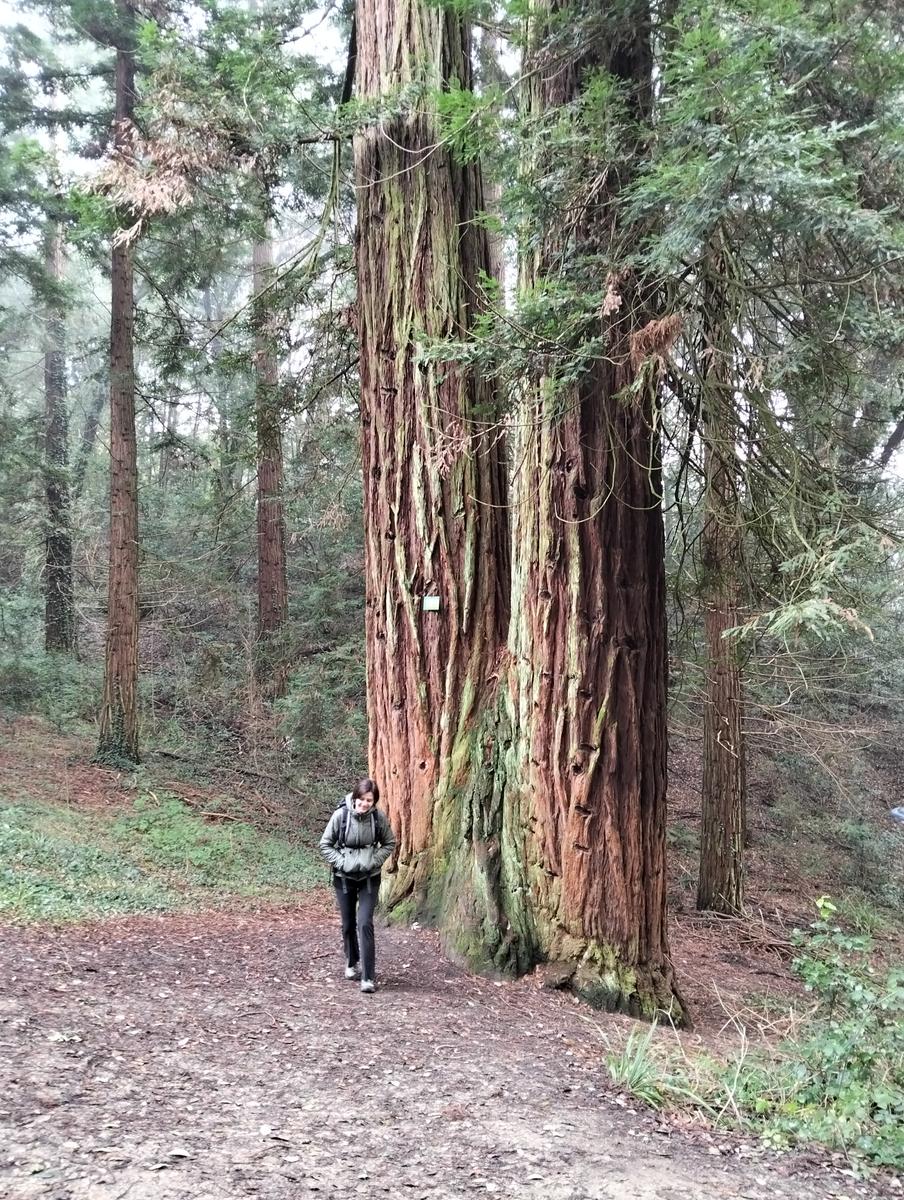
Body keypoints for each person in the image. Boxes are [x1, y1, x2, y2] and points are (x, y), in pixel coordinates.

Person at [319, 777, 396, 994]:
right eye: (361, 799)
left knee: (364, 923)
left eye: (369, 800)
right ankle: (352, 962)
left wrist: (374, 860)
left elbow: (389, 842)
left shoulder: (378, 818)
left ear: (374, 802)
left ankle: (368, 977)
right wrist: (342, 862)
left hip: (369, 878)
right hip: (344, 878)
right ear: (355, 797)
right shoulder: (340, 816)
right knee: (348, 924)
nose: (364, 804)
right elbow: (325, 844)